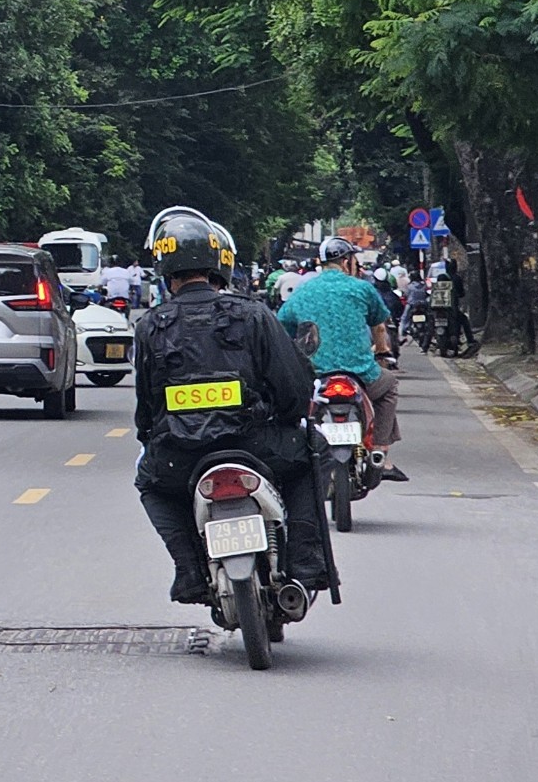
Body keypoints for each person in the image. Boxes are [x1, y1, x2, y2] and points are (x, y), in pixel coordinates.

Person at [131, 206, 329, 606]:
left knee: (150, 484)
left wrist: (154, 438)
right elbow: (293, 387)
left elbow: (147, 407)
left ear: (165, 268)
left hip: (181, 456)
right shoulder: (253, 314)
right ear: (216, 262)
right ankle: (306, 565)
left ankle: (188, 570)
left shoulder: (151, 325)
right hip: (256, 444)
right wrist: (288, 419)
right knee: (316, 454)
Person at [280, 236, 408, 479]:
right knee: (389, 385)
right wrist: (382, 353)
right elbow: (379, 326)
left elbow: (282, 327)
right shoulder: (361, 288)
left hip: (316, 376)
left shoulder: (302, 292)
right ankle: (380, 450)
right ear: (348, 261)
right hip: (360, 373)